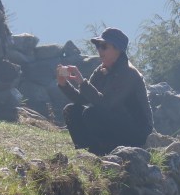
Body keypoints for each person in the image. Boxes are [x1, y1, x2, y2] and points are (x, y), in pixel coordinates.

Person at [56, 27, 153, 155]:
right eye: (98, 46)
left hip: (138, 131)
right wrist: (63, 84)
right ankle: (87, 153)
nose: (99, 50)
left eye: (104, 46)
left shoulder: (128, 73)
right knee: (71, 110)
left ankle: (103, 152)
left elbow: (107, 104)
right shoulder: (101, 71)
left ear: (117, 49)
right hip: (116, 121)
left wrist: (82, 81)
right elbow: (83, 99)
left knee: (92, 113)